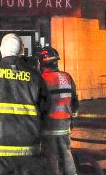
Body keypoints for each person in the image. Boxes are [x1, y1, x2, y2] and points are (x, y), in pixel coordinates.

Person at [0, 33, 50, 175]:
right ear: (22, 51)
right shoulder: (35, 76)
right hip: (28, 151)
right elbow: (45, 108)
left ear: (1, 50)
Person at [37, 46, 79, 175]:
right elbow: (75, 102)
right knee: (66, 153)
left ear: (42, 63)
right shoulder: (67, 77)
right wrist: (72, 119)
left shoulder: (41, 80)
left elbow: (39, 104)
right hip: (65, 124)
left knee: (51, 156)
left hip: (48, 124)